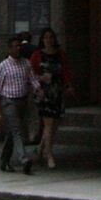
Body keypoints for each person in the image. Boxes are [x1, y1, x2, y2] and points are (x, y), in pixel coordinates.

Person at [0, 35, 38, 175]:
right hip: (8, 101)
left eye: (19, 46)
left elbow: (32, 79)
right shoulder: (3, 66)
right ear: (9, 48)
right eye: (15, 46)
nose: (18, 48)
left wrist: (38, 89)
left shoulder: (26, 63)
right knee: (17, 130)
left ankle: (4, 160)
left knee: (12, 131)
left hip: (22, 100)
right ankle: (24, 159)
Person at [32, 27, 69, 169]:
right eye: (46, 37)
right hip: (44, 91)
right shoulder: (37, 55)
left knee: (55, 124)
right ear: (42, 39)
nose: (48, 40)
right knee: (48, 122)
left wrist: (68, 85)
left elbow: (65, 71)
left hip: (57, 90)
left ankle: (41, 148)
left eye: (51, 37)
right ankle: (50, 154)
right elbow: (31, 73)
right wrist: (39, 81)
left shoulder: (60, 54)